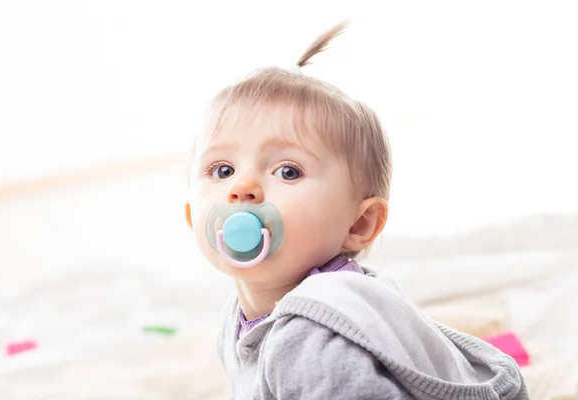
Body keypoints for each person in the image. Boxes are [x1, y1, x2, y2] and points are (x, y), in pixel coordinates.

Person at [184, 21, 529, 400]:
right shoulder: (235, 317)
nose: (242, 188)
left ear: (360, 223)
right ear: (190, 216)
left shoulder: (313, 342)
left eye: (288, 171)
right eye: (222, 170)